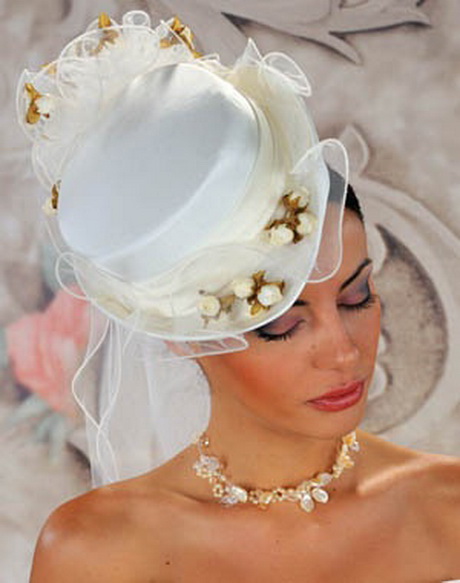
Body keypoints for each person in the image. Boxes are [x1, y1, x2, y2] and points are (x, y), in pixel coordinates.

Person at [18, 10, 460, 583]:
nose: (344, 351)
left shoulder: (447, 508)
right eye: (280, 323)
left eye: (357, 297)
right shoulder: (93, 552)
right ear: (181, 333)